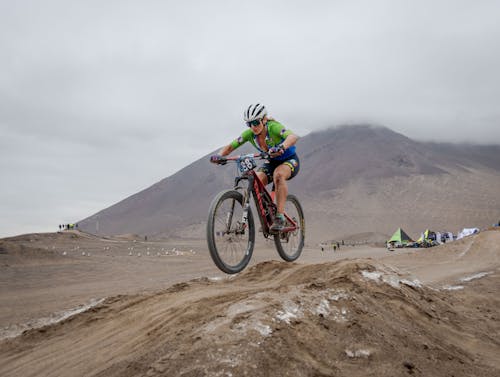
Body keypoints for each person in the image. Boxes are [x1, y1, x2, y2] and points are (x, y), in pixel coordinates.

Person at [210, 103, 300, 233]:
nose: (253, 127)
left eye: (256, 122)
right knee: (256, 182)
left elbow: (292, 137)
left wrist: (282, 147)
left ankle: (279, 217)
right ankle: (269, 214)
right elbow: (230, 146)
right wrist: (219, 156)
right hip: (271, 161)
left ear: (264, 119)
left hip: (289, 159)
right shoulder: (249, 134)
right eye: (249, 124)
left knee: (278, 175)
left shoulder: (273, 127)